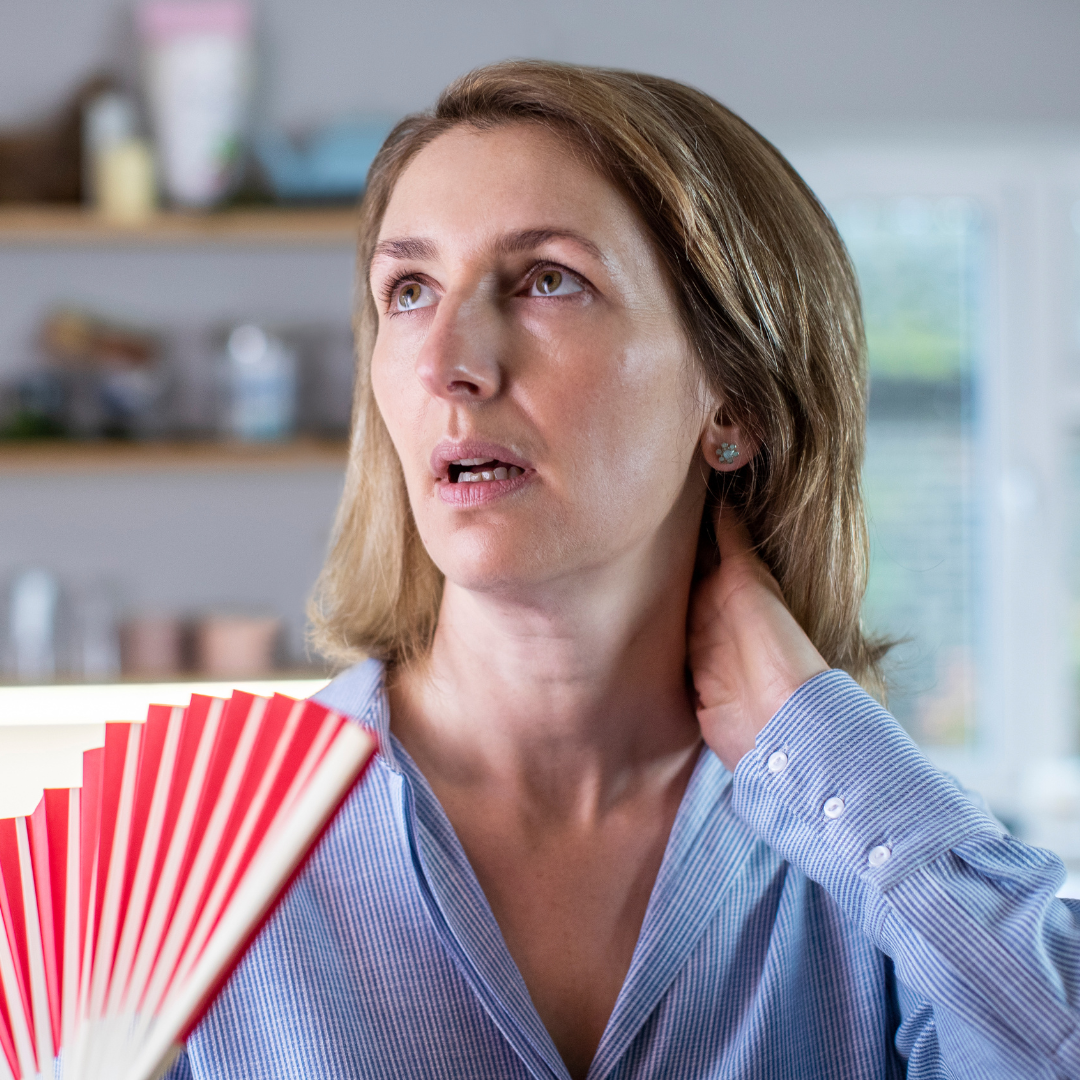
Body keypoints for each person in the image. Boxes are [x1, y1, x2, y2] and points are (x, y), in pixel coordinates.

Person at [168, 61, 1080, 1079]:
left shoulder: (862, 859)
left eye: (547, 279)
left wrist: (816, 740)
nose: (447, 360)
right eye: (410, 290)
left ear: (730, 400)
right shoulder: (188, 865)